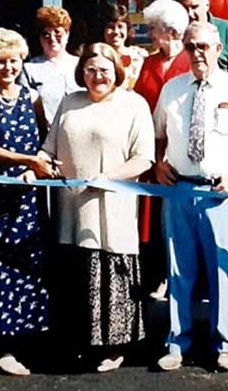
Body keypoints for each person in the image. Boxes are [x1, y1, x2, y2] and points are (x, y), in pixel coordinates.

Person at [153, 21, 228, 373]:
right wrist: (158, 164)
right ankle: (177, 343)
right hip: (180, 191)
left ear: (218, 49)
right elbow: (158, 136)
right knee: (178, 271)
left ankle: (225, 345)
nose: (198, 53)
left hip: (223, 194)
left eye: (204, 46)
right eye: (191, 46)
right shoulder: (172, 90)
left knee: (222, 273)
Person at [39, 43, 154, 373]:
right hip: (69, 209)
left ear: (116, 70)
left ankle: (113, 349)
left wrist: (106, 177)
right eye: (90, 70)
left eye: (104, 69)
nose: (97, 76)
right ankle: (75, 344)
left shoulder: (134, 105)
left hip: (111, 208)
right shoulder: (69, 103)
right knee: (73, 276)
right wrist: (38, 164)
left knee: (108, 277)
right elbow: (48, 148)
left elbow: (143, 158)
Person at [0, 28, 52, 376]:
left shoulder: (32, 97)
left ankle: (28, 343)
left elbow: (45, 139)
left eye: (14, 61)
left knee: (31, 267)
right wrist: (27, 160)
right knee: (0, 271)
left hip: (29, 196)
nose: (8, 68)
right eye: (0, 62)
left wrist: (42, 163)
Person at [133, 0, 191, 297]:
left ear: (169, 31)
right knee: (152, 221)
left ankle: (181, 279)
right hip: (153, 153)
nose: (150, 35)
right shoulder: (149, 62)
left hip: (182, 153)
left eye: (153, 29)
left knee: (180, 222)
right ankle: (157, 275)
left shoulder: (189, 64)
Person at [23, 6, 81, 125]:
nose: (52, 38)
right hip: (46, 135)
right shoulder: (29, 69)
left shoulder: (80, 65)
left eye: (58, 32)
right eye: (46, 34)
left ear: (67, 34)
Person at [177, 0, 228, 71]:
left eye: (194, 7)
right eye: (185, 8)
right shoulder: (175, 33)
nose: (190, 14)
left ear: (207, 5)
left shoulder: (226, 31)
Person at [97, 3, 147, 90]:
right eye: (111, 27)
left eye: (120, 27)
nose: (116, 31)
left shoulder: (140, 56)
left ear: (128, 30)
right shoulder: (96, 57)